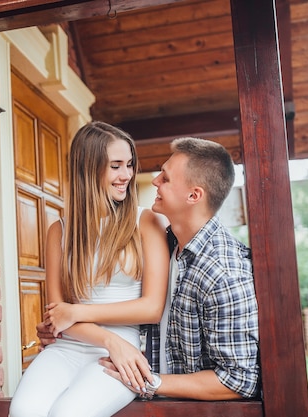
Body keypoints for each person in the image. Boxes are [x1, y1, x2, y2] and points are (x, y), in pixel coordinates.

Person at [38, 136, 261, 401]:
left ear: (194, 195)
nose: (153, 180)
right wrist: (69, 325)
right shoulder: (169, 245)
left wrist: (151, 381)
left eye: (165, 178)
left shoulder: (222, 272)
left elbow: (239, 380)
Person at [9, 121, 169, 417]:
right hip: (71, 347)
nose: (127, 176)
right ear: (89, 169)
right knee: (23, 411)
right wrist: (108, 338)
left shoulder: (145, 222)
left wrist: (79, 312)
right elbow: (58, 314)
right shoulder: (60, 231)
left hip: (121, 354)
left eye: (129, 165)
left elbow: (151, 308)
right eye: (116, 166)